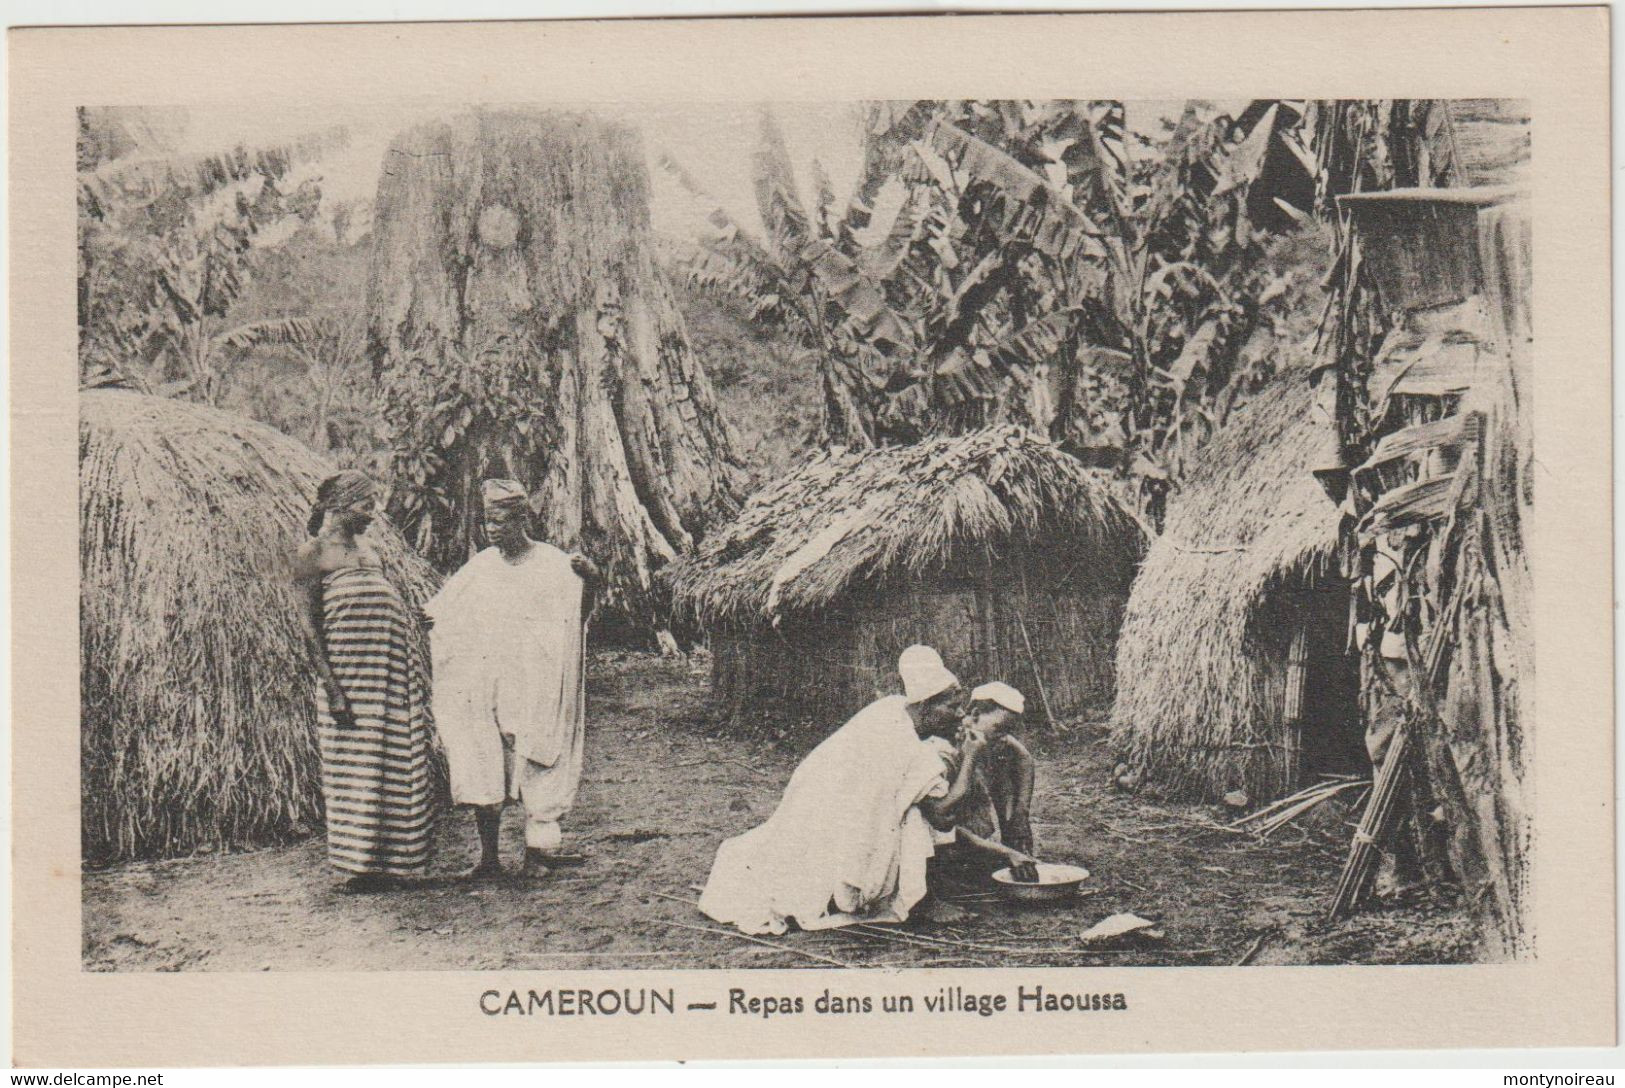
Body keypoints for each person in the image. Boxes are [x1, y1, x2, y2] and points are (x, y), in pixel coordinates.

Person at [698, 645, 1008, 935]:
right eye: (952, 707)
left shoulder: (891, 710)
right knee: (915, 814)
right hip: (828, 827)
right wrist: (969, 756)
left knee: (910, 801)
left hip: (825, 819)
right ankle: (920, 901)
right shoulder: (906, 744)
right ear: (926, 705)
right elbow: (942, 817)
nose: (958, 715)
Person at [422, 479, 599, 881]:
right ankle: (489, 857)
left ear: (522, 518)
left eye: (499, 521)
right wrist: (433, 620)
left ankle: (538, 851)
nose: (491, 529)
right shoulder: (482, 565)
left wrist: (592, 580)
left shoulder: (554, 563)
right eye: (487, 522)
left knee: (538, 752)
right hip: (490, 680)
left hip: (536, 681)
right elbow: (445, 609)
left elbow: (577, 618)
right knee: (484, 755)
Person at [292, 470, 434, 893]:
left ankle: (394, 861)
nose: (373, 513)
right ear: (337, 506)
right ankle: (360, 865)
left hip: (388, 675)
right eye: (365, 504)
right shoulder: (312, 553)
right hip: (350, 681)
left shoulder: (369, 550)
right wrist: (334, 689)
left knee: (394, 760)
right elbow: (309, 628)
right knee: (355, 768)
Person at [924, 681, 1041, 891]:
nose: (1005, 737)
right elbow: (936, 823)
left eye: (1009, 731)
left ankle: (1007, 845)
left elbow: (1024, 758)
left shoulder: (987, 736)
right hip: (942, 839)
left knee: (1004, 761)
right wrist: (1004, 854)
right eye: (1001, 729)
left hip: (972, 838)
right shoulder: (943, 750)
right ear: (975, 714)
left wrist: (1020, 815)